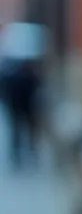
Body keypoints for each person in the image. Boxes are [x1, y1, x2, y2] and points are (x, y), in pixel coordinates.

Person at [0, 22, 44, 170]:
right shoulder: (23, 72)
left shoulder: (11, 71)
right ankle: (22, 152)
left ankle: (23, 152)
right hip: (20, 105)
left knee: (21, 128)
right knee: (21, 128)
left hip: (21, 105)